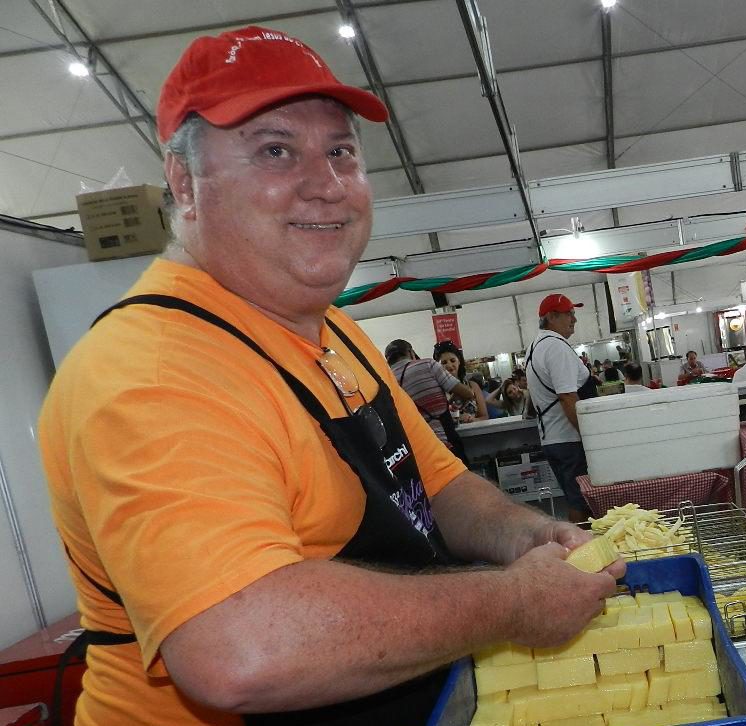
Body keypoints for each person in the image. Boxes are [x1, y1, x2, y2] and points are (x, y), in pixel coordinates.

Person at [37, 26, 623, 726]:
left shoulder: (331, 326)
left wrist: (527, 538)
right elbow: (242, 650)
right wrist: (509, 604)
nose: (326, 185)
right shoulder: (152, 372)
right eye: (276, 151)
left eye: (341, 151)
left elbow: (433, 484)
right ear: (185, 184)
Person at [526, 293, 597, 523]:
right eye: (569, 313)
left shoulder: (535, 346)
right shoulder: (555, 347)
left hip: (553, 438)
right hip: (569, 439)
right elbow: (567, 397)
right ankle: (581, 554)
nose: (574, 319)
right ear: (551, 317)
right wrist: (590, 436)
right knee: (582, 503)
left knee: (575, 499)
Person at [385, 339, 473, 454]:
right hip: (445, 441)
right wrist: (454, 404)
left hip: (417, 448)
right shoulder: (427, 365)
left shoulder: (385, 381)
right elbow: (468, 393)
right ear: (411, 352)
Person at [434, 341, 488, 423]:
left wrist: (472, 420)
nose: (449, 365)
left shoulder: (472, 386)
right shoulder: (437, 390)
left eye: (452, 360)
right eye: (444, 363)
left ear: (459, 361)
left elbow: (485, 417)